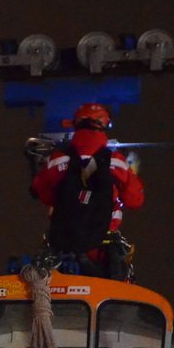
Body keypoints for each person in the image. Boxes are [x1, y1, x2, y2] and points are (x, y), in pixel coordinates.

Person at [30, 103, 144, 279]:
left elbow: (43, 194)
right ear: (104, 124)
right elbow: (135, 201)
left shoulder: (58, 160)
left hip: (63, 248)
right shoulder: (116, 162)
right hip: (104, 251)